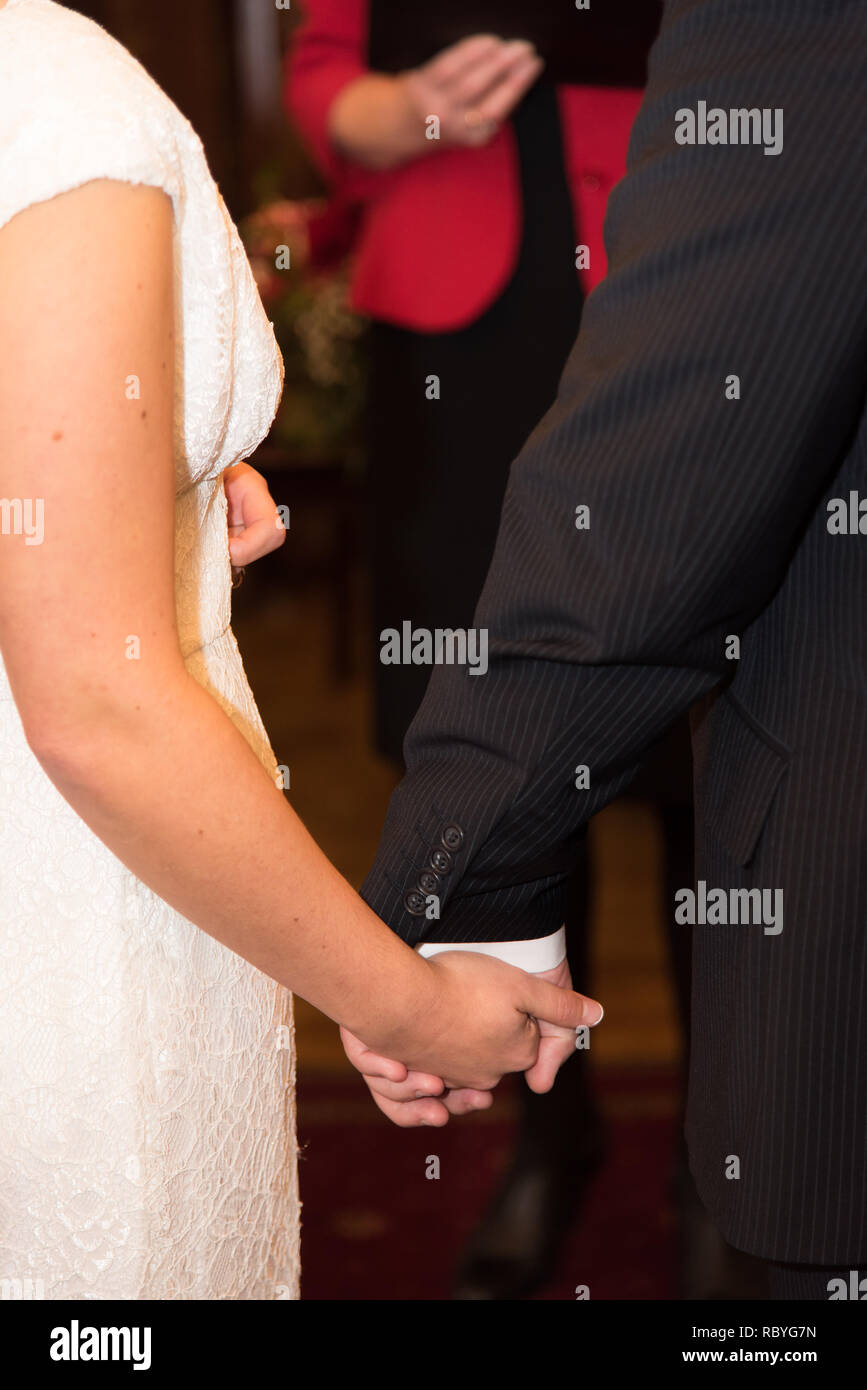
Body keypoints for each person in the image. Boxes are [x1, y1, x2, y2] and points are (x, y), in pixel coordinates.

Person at [0, 0, 599, 1301]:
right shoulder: (50, 89)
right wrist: (407, 1004)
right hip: (73, 868)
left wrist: (133, 487)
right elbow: (95, 705)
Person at [349, 0, 867, 1302]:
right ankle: (566, 1138)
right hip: (491, 332)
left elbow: (687, 435)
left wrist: (466, 871)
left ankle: (702, 1152)